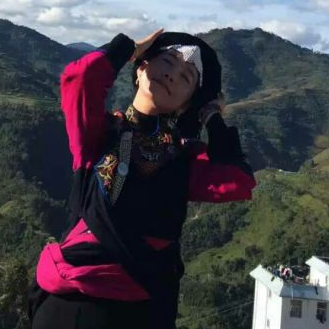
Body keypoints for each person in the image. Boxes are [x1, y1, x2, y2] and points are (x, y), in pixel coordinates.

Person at [28, 28, 257, 329]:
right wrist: (128, 48)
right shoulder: (99, 133)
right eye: (167, 61)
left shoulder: (183, 159)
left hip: (139, 309)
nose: (172, 75)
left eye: (186, 77)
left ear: (187, 104)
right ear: (141, 69)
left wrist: (211, 116)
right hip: (74, 297)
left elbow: (238, 180)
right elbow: (80, 80)